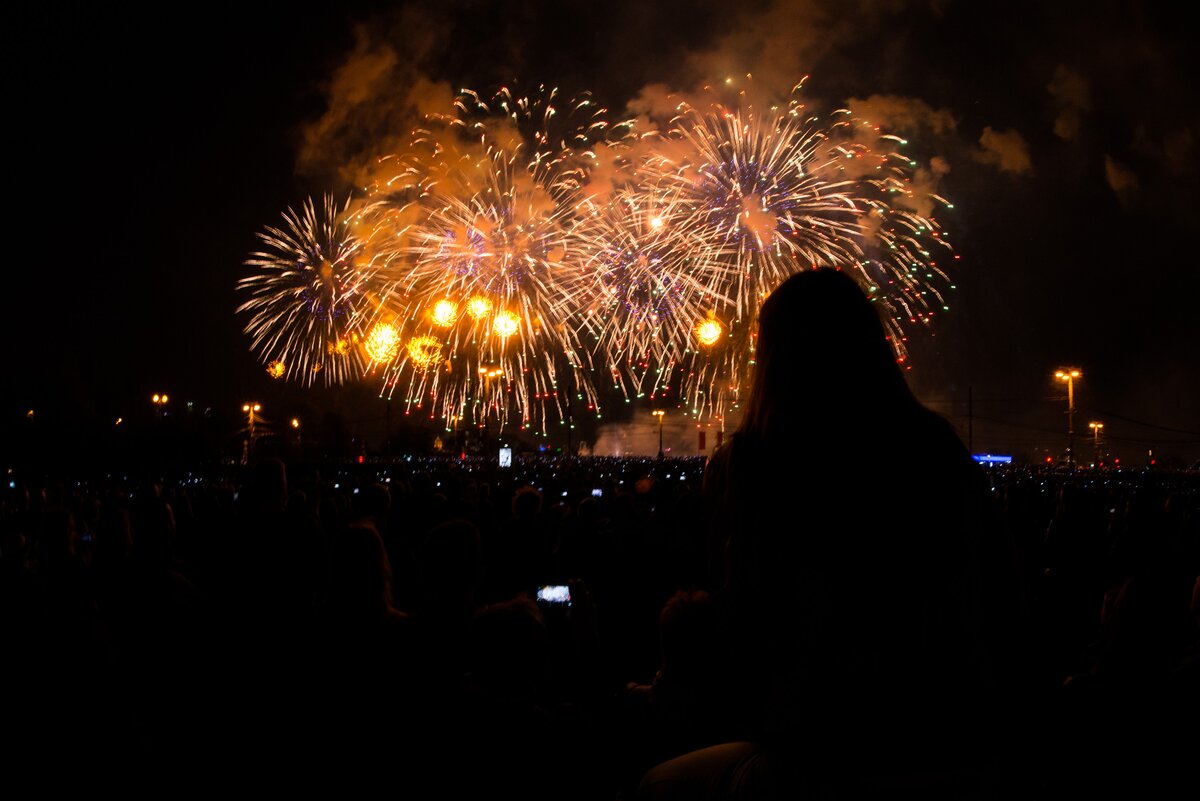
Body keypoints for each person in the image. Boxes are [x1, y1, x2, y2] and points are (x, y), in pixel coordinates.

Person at [640, 268, 999, 799]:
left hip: (811, 751)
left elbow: (746, 635)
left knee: (657, 786)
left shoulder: (752, 466)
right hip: (946, 735)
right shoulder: (935, 450)